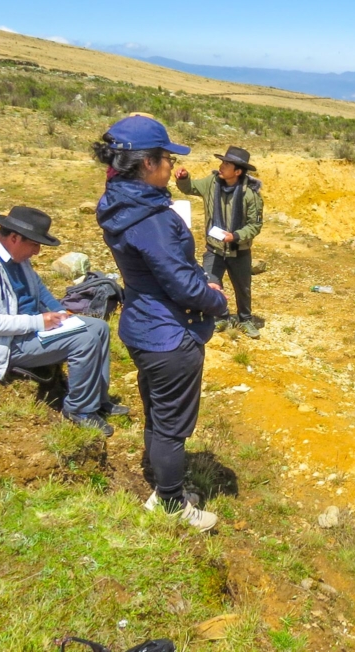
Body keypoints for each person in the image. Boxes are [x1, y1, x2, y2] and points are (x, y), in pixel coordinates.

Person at [93, 115, 228, 532]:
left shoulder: (121, 204)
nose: (172, 166)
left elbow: (164, 271)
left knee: (157, 413)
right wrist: (216, 299)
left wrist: (191, 276)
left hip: (141, 324)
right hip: (169, 335)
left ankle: (160, 481)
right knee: (172, 425)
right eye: (167, 158)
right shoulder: (151, 219)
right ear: (146, 164)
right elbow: (182, 286)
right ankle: (171, 504)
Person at [0, 206, 122, 437]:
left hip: (26, 330)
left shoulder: (13, 256)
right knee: (85, 340)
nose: (37, 252)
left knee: (98, 327)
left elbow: (38, 289)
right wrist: (38, 322)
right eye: (35, 245)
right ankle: (80, 410)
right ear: (14, 238)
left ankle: (98, 399)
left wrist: (61, 313)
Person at [175, 145, 264, 339]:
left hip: (239, 250)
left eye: (227, 164)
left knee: (243, 288)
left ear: (238, 171)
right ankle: (221, 316)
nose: (221, 166)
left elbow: (255, 225)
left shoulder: (251, 194)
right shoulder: (211, 183)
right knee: (211, 282)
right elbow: (190, 188)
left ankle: (245, 319)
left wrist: (236, 236)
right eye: (222, 162)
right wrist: (183, 178)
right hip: (214, 249)